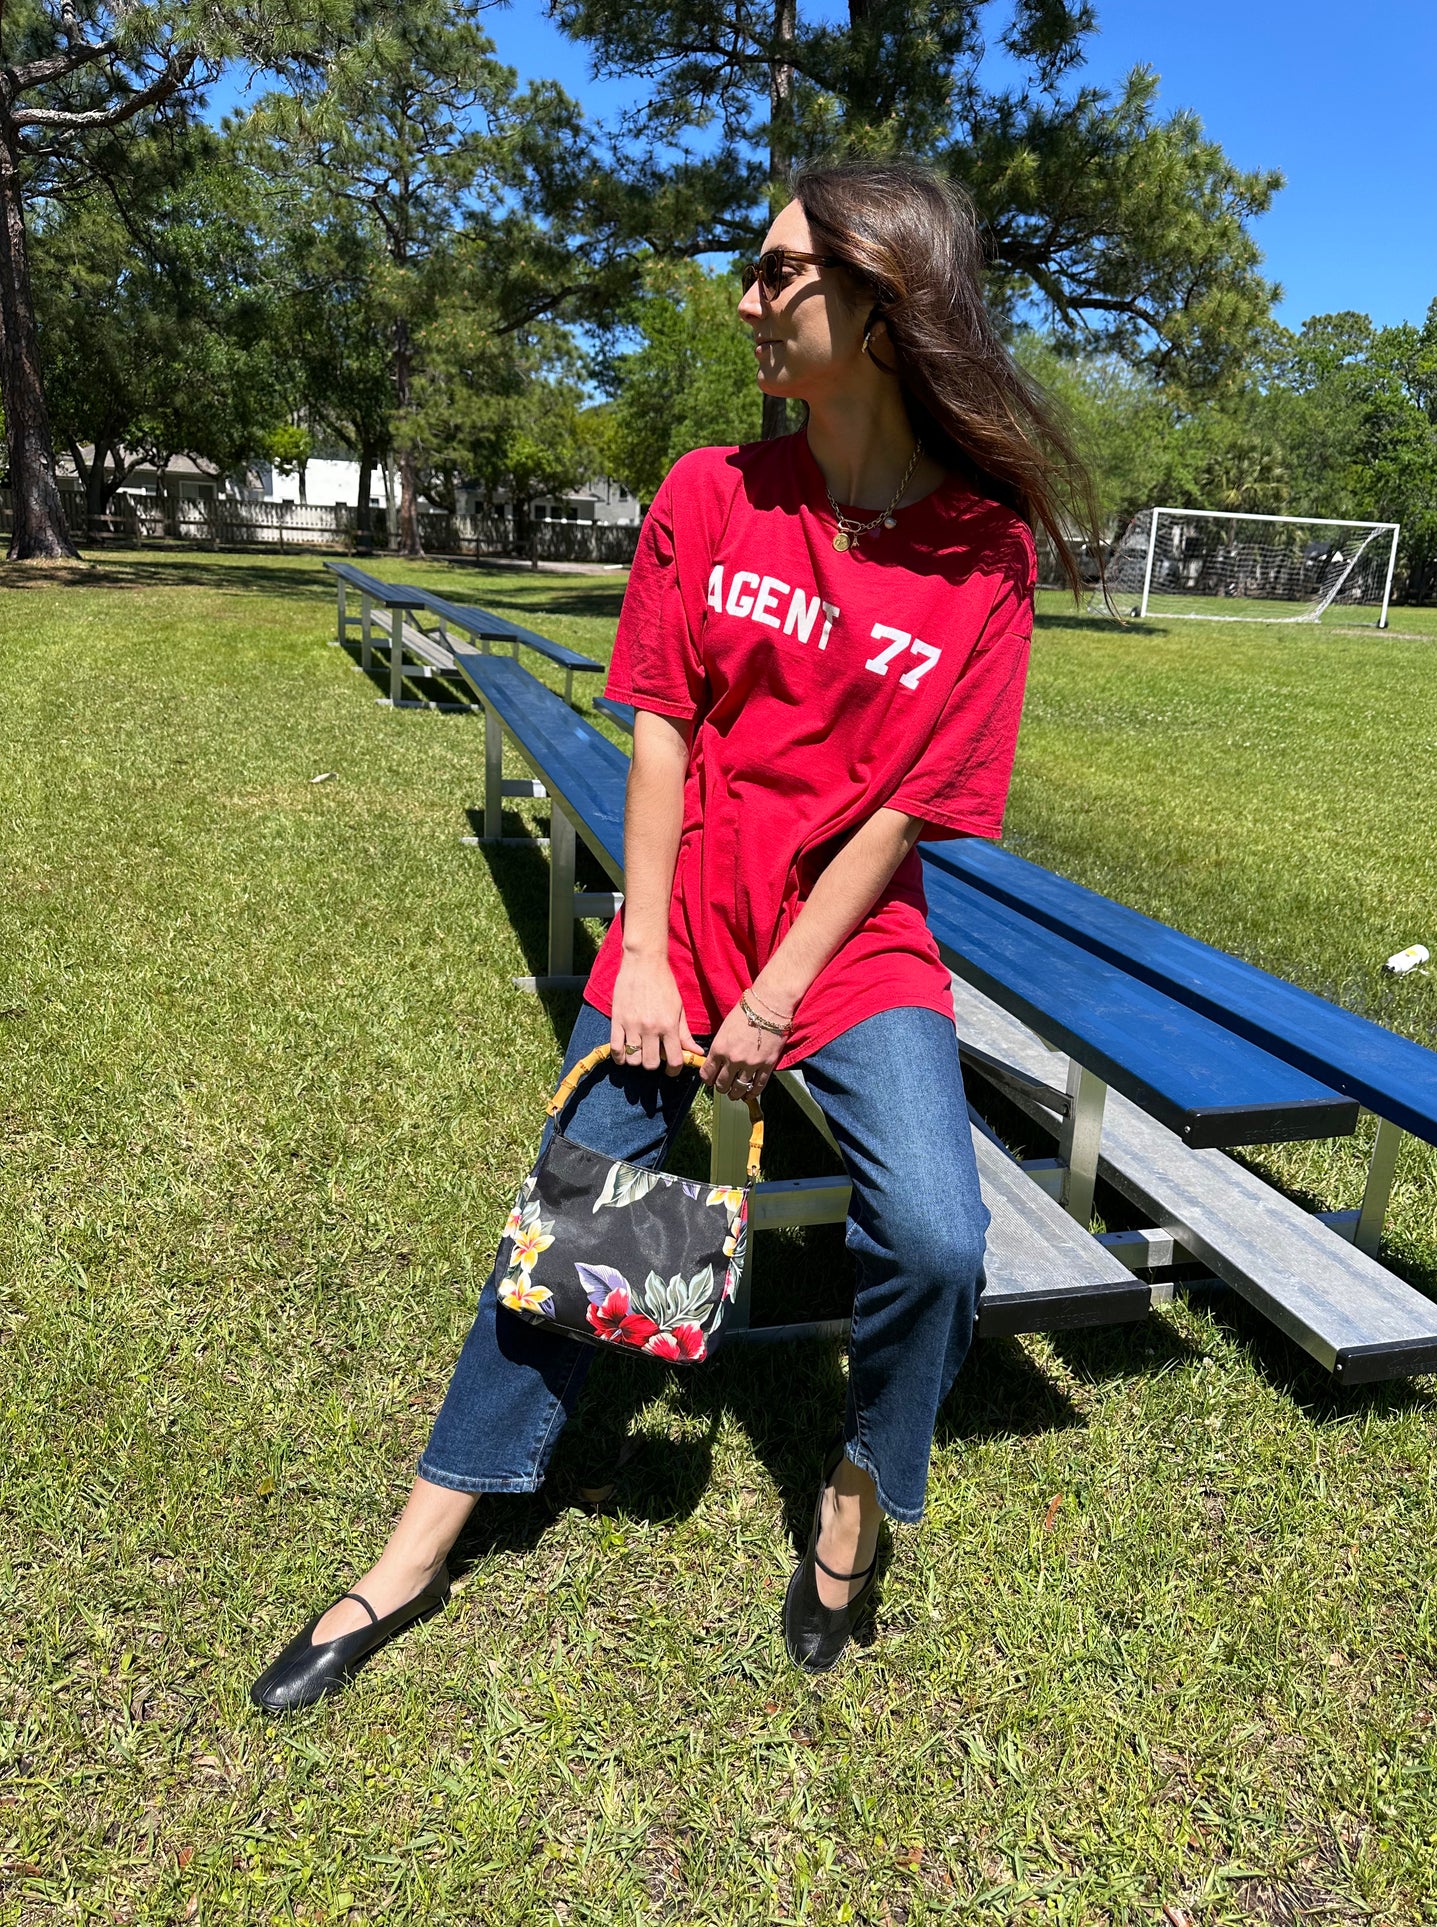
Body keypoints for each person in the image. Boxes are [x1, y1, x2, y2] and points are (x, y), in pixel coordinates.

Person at [251, 158, 1095, 1711]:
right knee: (582, 1207)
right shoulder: (712, 491)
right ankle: (423, 1540)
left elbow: (907, 809)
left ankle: (853, 1498)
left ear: (883, 302)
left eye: (781, 274)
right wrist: (641, 949)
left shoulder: (984, 553)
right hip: (682, 919)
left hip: (847, 953)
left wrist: (775, 998)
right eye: (759, 270)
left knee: (935, 1237)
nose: (750, 299)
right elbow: (654, 728)